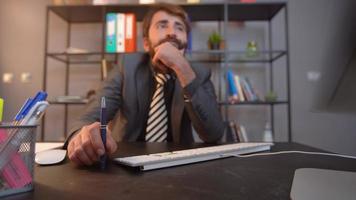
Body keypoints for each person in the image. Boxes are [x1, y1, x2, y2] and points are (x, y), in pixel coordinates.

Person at [65, 3, 225, 166]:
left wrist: (182, 68)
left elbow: (214, 133)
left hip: (178, 163)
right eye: (162, 25)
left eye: (180, 28)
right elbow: (88, 117)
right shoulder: (127, 66)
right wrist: (82, 137)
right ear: (147, 43)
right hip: (125, 161)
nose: (172, 33)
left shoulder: (198, 73)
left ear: (186, 42)